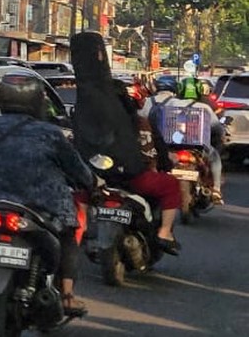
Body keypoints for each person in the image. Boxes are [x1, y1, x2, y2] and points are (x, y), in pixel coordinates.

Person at [0, 74, 98, 317]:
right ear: (38, 101)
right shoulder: (50, 133)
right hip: (43, 205)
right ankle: (68, 295)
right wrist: (92, 182)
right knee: (70, 234)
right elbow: (76, 169)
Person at [70, 31, 182, 254]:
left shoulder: (85, 107)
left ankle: (74, 240)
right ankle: (164, 232)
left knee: (79, 202)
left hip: (94, 177)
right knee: (171, 185)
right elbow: (158, 152)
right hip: (131, 177)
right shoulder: (137, 121)